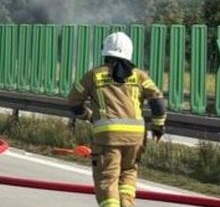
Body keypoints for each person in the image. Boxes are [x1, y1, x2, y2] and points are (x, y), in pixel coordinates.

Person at [68, 32, 166, 207]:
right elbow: (157, 101)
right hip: (135, 137)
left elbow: (73, 101)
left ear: (105, 52)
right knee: (128, 172)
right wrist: (158, 126)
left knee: (107, 178)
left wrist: (87, 115)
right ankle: (127, 204)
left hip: (108, 137)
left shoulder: (94, 75)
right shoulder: (139, 76)